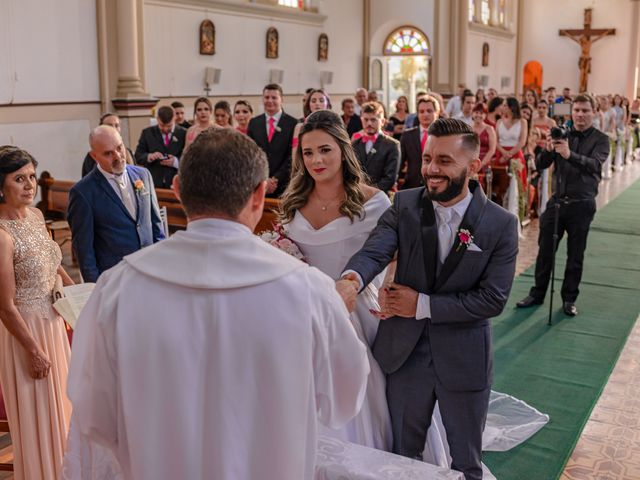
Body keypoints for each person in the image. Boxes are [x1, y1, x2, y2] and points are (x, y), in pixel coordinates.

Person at [66, 128, 369, 480]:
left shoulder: (116, 289)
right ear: (259, 195)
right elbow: (344, 402)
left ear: (177, 190)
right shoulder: (310, 291)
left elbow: (94, 419)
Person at [342, 118, 519, 480]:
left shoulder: (499, 224)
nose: (431, 170)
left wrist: (420, 304)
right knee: (402, 456)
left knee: (466, 461)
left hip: (464, 357)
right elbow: (375, 250)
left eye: (444, 161)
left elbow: (492, 299)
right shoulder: (405, 204)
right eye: (426, 159)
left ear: (473, 167)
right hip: (405, 355)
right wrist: (351, 279)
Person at [280, 110, 391, 449]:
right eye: (308, 152)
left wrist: (388, 290)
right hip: (305, 313)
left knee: (359, 401)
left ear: (343, 149)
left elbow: (392, 254)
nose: (316, 159)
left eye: (325, 149)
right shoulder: (292, 202)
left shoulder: (374, 202)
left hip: (353, 311)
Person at [0, 146, 73, 480]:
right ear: (1, 186)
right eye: (19, 179)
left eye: (31, 177)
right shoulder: (1, 235)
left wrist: (75, 295)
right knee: (40, 417)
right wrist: (33, 350)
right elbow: (5, 306)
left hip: (54, 326)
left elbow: (53, 266)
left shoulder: (36, 217)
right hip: (26, 333)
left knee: (64, 410)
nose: (29, 185)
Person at [517, 94, 610, 316]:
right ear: (571, 112)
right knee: (545, 251)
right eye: (576, 110)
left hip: (582, 204)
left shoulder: (601, 139)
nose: (580, 114)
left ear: (593, 112)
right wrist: (549, 149)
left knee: (575, 255)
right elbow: (541, 164)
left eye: (585, 110)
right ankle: (537, 294)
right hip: (557, 202)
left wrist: (569, 154)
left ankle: (569, 299)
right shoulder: (561, 133)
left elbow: (594, 165)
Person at [68, 126, 165, 283]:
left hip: (150, 272)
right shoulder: (83, 193)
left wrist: (162, 263)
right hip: (115, 278)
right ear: (94, 156)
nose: (118, 156)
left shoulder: (143, 175)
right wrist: (96, 289)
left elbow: (155, 225)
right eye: (108, 153)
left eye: (119, 148)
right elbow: (84, 251)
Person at [247, 83, 298, 197]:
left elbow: (292, 156)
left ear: (282, 100)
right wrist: (264, 179)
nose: (270, 100)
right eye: (266, 97)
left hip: (284, 185)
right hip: (259, 184)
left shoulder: (293, 123)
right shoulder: (254, 123)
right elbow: (251, 154)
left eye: (274, 97)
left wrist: (275, 179)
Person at [352, 102, 400, 193]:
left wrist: (370, 193)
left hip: (381, 197)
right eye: (366, 119)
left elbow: (390, 178)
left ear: (382, 121)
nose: (369, 123)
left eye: (373, 120)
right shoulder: (354, 144)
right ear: (361, 120)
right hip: (357, 196)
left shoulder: (392, 145)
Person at [134, 105, 187, 188]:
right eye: (162, 125)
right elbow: (138, 155)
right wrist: (149, 156)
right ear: (157, 119)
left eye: (169, 126)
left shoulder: (183, 133)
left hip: (176, 183)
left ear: (174, 118)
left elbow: (188, 157)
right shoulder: (147, 133)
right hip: (153, 183)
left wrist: (175, 161)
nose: (165, 129)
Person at [400, 95, 440, 190]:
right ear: (417, 114)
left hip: (437, 184)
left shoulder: (443, 136)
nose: (425, 114)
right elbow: (400, 162)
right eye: (421, 111)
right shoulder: (407, 135)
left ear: (437, 113)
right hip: (412, 185)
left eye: (429, 111)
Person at [493, 97, 528, 207]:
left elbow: (522, 141)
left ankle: (517, 208)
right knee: (501, 183)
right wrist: (504, 153)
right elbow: (496, 141)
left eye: (504, 105)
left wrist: (510, 154)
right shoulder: (499, 122)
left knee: (516, 184)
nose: (502, 108)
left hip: (516, 154)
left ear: (511, 107)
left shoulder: (522, 122)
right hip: (501, 153)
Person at [81, 113, 134, 177]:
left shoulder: (128, 152)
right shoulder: (91, 157)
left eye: (117, 125)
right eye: (109, 125)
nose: (114, 128)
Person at [471, 103, 496, 193]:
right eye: (476, 112)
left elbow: (492, 150)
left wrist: (481, 164)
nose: (478, 115)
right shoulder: (468, 128)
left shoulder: (489, 129)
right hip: (471, 160)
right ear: (472, 113)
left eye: (481, 113)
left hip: (485, 161)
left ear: (485, 115)